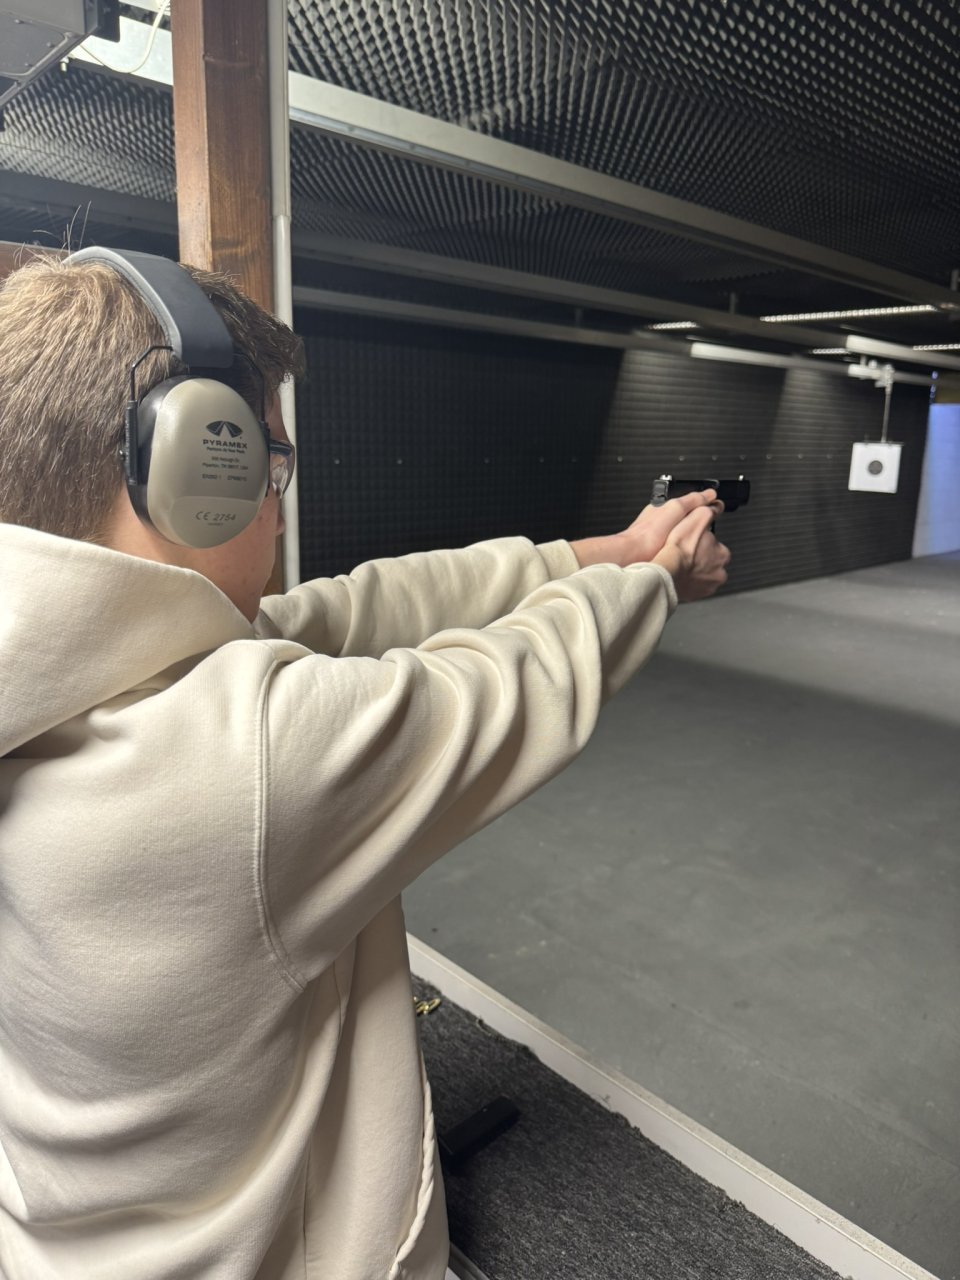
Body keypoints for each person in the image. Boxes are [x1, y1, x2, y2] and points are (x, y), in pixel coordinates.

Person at [0, 250, 730, 1280]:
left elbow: (355, 608)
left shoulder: (58, 674)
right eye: (264, 466)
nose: (277, 506)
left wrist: (600, 552)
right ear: (188, 473)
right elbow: (512, 681)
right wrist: (655, 580)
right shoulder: (248, 760)